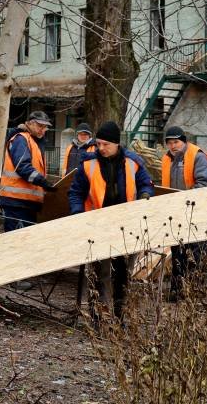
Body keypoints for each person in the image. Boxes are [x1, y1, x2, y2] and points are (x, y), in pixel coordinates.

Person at [68, 121, 154, 326]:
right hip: (97, 226)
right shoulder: (88, 164)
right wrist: (78, 213)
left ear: (116, 143)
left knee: (123, 273)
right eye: (98, 144)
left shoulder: (133, 162)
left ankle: (120, 315)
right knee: (100, 273)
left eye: (105, 144)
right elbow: (75, 193)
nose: (101, 148)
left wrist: (145, 195)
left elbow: (146, 184)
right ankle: (98, 317)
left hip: (126, 225)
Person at [160, 125, 207, 300]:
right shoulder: (166, 159)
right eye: (169, 143)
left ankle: (196, 293)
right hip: (176, 213)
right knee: (177, 253)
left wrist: (185, 200)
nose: (173, 146)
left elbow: (204, 184)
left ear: (183, 141)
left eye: (176, 142)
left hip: (196, 212)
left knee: (196, 254)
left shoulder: (198, 156)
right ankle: (177, 291)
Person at [0, 111, 54, 232]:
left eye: (45, 127)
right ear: (29, 123)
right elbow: (23, 166)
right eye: (40, 126)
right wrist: (42, 182)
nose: (43, 130)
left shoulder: (33, 141)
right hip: (16, 201)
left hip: (25, 202)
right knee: (16, 239)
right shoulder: (21, 139)